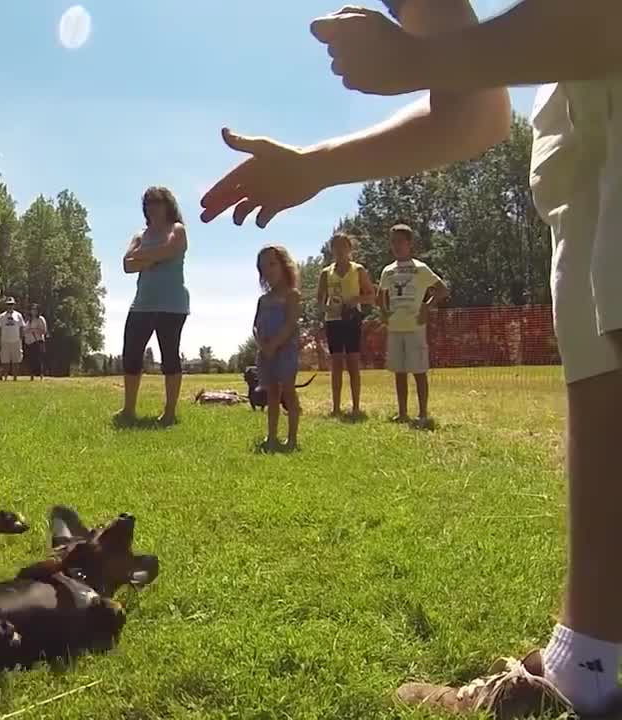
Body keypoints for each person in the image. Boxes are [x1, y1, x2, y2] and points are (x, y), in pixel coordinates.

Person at [198, 1, 622, 714]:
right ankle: (590, 660)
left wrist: (418, 61)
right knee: (598, 342)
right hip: (588, 121)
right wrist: (316, 166)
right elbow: (479, 112)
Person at [119, 186, 190, 426]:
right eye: (148, 202)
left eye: (158, 201)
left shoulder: (177, 229)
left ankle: (169, 412)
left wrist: (143, 257)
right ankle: (128, 409)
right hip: (142, 304)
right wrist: (153, 257)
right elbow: (126, 265)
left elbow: (170, 249)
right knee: (131, 355)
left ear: (168, 204)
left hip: (172, 305)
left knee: (170, 357)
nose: (153, 206)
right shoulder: (140, 234)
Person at [378, 224, 448, 425]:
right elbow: (380, 295)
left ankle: (423, 414)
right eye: (393, 242)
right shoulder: (388, 271)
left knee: (418, 371)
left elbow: (442, 290)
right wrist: (384, 313)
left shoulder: (420, 269)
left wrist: (427, 307)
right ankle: (402, 412)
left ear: (409, 243)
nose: (396, 246)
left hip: (415, 327)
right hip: (395, 328)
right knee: (399, 372)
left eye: (400, 241)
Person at [317, 232, 376, 416]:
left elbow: (371, 296)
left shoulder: (358, 270)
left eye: (344, 246)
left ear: (350, 248)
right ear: (332, 249)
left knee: (352, 362)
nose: (340, 250)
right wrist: (327, 309)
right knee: (336, 364)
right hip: (333, 321)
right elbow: (319, 300)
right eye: (336, 247)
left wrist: (355, 300)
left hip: (352, 320)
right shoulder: (326, 273)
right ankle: (335, 407)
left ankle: (356, 406)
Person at [253, 246, 303, 451]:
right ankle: (271, 436)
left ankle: (291, 439)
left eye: (272, 264)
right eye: (263, 267)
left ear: (284, 265)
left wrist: (275, 344)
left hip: (285, 351)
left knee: (288, 392)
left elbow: (290, 324)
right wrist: (263, 346)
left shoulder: (292, 295)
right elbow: (255, 326)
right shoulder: (263, 300)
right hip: (266, 353)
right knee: (272, 394)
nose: (268, 270)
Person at [0, 298, 25, 381]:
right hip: (5, 340)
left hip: (16, 340)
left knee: (16, 360)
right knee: (5, 359)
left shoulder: (18, 315)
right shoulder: (2, 316)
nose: (10, 306)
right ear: (6, 305)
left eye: (11, 304)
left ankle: (15, 377)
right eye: (8, 304)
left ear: (14, 305)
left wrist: (20, 339)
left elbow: (21, 327)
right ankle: (5, 377)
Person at [23, 303, 50, 380]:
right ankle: (32, 375)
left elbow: (44, 331)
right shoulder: (29, 320)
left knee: (39, 359)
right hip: (29, 342)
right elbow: (25, 330)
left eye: (35, 310)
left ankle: (41, 375)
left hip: (38, 341)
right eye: (32, 309)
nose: (33, 311)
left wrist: (34, 330)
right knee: (31, 359)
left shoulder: (41, 319)